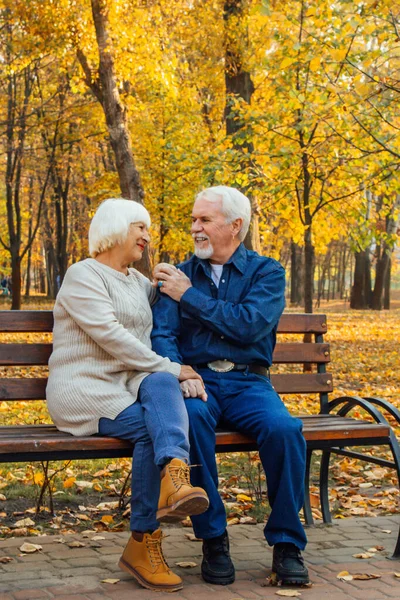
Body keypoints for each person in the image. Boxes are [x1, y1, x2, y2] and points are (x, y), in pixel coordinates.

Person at [46, 198, 209, 593]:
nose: (147, 237)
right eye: (140, 228)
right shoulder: (82, 276)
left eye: (147, 230)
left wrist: (175, 283)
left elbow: (163, 327)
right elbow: (113, 337)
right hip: (83, 390)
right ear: (116, 227)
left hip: (126, 387)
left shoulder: (139, 283)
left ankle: (175, 477)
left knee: (160, 384)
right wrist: (173, 368)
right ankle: (144, 541)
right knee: (155, 418)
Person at [151, 186, 309, 586]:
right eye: (193, 220)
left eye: (205, 220)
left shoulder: (266, 272)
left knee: (286, 430)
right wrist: (181, 370)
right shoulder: (179, 273)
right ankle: (214, 539)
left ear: (235, 225)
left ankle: (287, 545)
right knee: (192, 421)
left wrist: (190, 297)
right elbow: (164, 334)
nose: (195, 228)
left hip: (248, 383)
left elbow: (250, 326)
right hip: (198, 381)